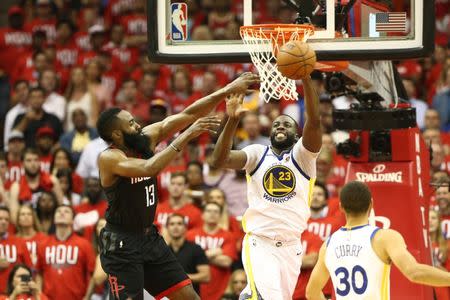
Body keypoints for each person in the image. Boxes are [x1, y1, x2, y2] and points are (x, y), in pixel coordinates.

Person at [96, 72, 258, 299]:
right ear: (116, 133)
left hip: (148, 237)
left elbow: (188, 113)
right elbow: (148, 168)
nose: (138, 124)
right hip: (121, 244)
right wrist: (186, 136)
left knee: (189, 297)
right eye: (131, 123)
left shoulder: (145, 137)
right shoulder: (110, 158)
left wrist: (227, 90)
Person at [211, 77, 322, 299]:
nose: (280, 125)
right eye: (276, 124)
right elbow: (219, 160)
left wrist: (306, 79)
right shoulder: (256, 154)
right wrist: (232, 120)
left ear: (297, 134)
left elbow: (314, 121)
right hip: (260, 242)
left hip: (292, 246)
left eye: (287, 124)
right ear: (269, 132)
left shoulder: (303, 157)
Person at [305, 181, 450, 299]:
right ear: (371, 205)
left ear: (341, 207)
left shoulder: (328, 245)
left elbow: (311, 293)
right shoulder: (383, 238)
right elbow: (414, 272)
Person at [36, 205, 95, 300]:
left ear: (72, 220)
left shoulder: (84, 244)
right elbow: (39, 273)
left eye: (66, 211)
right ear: (54, 219)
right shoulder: (43, 244)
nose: (62, 213)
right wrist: (39, 296)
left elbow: (92, 275)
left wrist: (87, 297)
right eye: (58, 211)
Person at [166, 213, 210, 294]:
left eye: (179, 224)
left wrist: (181, 278)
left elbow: (206, 276)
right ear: (167, 228)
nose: (175, 227)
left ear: (185, 228)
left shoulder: (196, 249)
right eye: (172, 224)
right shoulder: (164, 251)